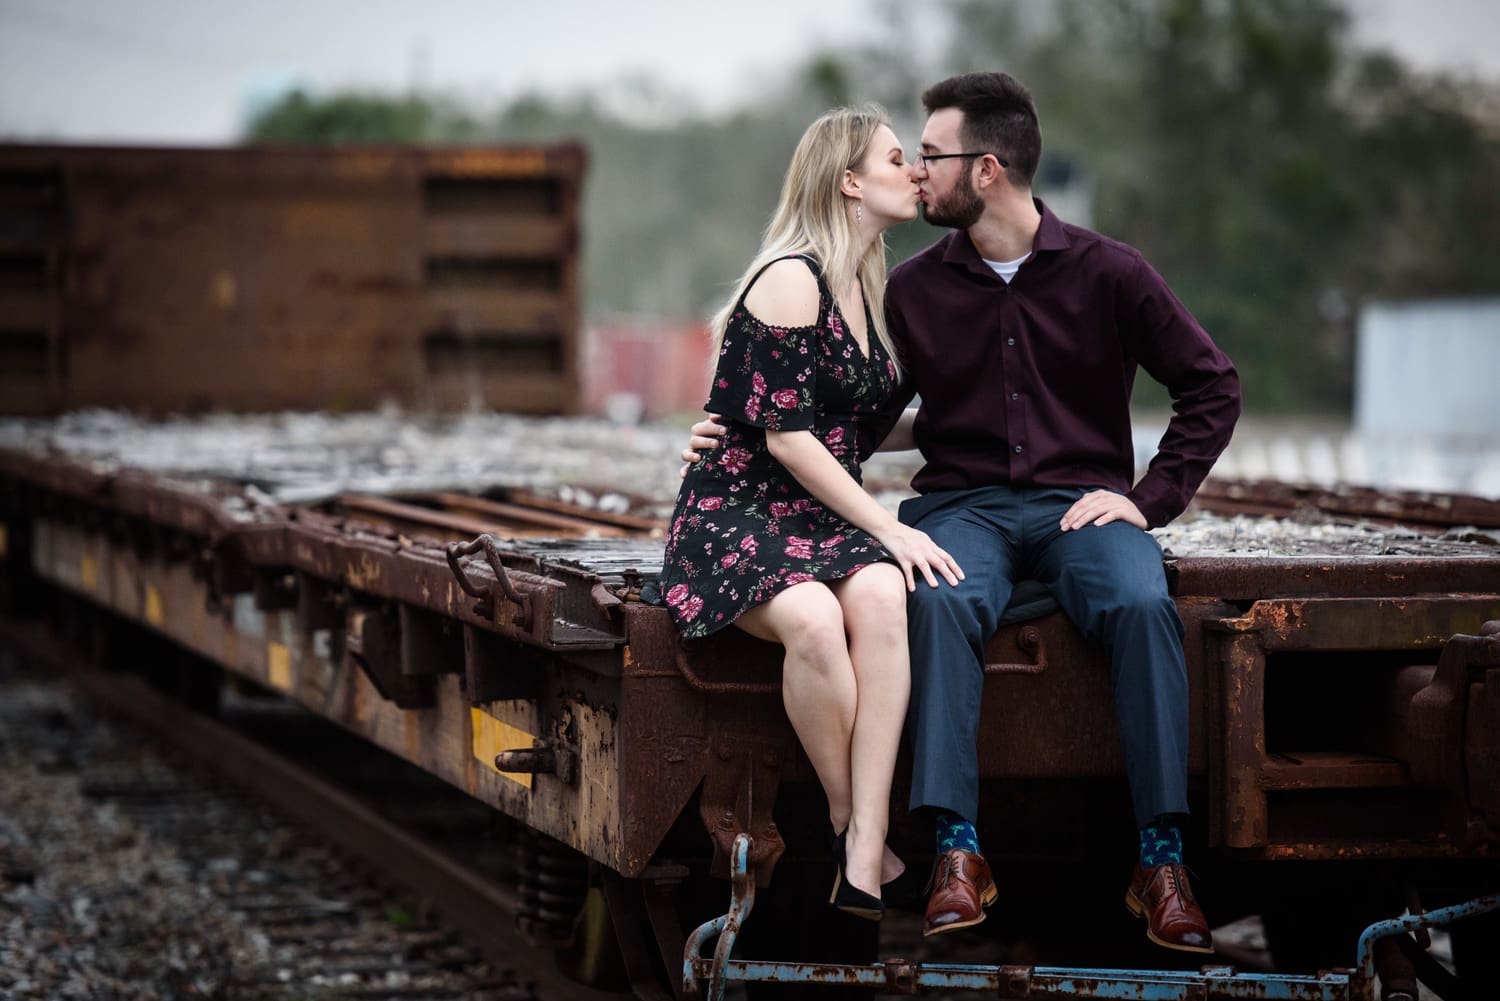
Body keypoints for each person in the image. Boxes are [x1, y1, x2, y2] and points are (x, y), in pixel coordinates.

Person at [682, 73, 1241, 953]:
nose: (918, 173)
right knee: (932, 597)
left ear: (986, 170)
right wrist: (742, 433)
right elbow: (852, 419)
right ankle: (954, 850)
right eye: (904, 158)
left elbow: (1212, 384)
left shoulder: (1110, 271)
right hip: (965, 507)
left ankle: (1162, 861)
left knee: (1142, 604)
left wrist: (1146, 501)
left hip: (1079, 509)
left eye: (929, 156)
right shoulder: (914, 289)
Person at [658, 104, 965, 920]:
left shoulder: (873, 288)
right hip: (739, 512)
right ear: (850, 181)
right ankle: (846, 818)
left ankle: (866, 851)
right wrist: (888, 524)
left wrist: (971, 431)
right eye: (898, 158)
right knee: (818, 624)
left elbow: (854, 428)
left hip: (817, 516)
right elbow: (790, 439)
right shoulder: (794, 275)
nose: (914, 172)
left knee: (880, 596)